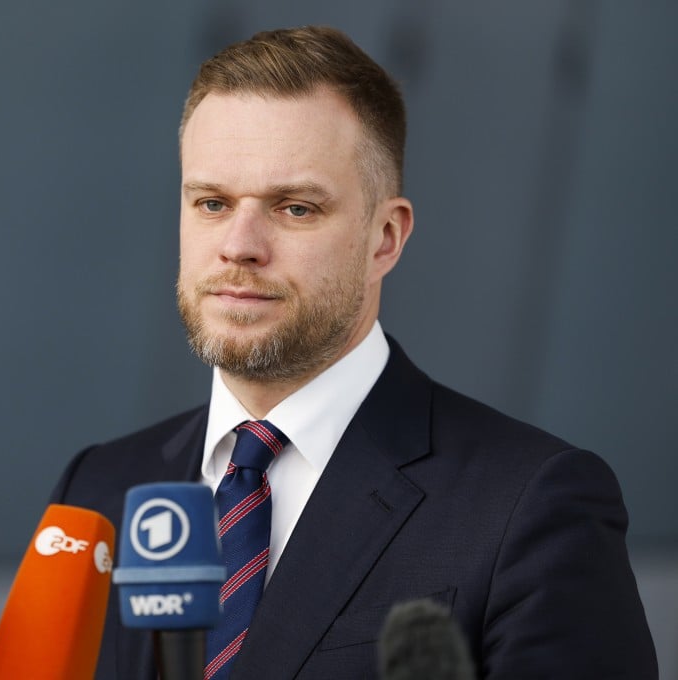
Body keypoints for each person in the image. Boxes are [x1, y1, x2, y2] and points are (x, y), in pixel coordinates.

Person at [49, 25, 657, 679]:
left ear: (385, 237)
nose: (239, 244)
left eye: (295, 209)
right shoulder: (99, 488)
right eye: (212, 202)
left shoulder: (532, 504)